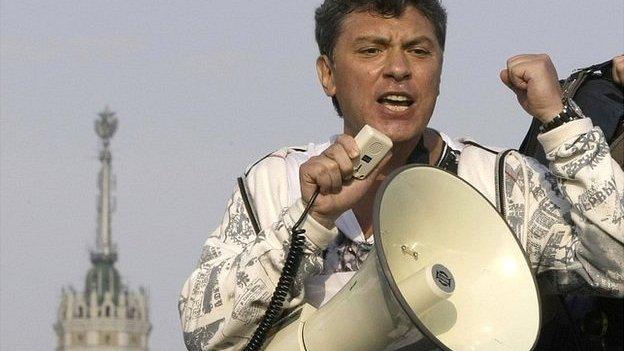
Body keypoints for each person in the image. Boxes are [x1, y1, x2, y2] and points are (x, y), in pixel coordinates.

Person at [178, 1, 624, 350]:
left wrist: (560, 121)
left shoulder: (500, 184)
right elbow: (204, 334)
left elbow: (616, 268)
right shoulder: (276, 183)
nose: (398, 68)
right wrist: (310, 223)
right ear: (328, 74)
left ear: (439, 71)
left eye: (419, 50)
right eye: (371, 50)